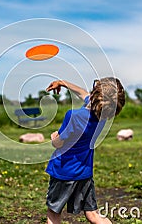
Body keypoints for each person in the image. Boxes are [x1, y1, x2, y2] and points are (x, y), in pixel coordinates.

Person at [45, 77, 125, 224]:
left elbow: (58, 144)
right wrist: (63, 82)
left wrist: (54, 136)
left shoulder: (74, 116)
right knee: (93, 215)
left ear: (95, 94)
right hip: (84, 173)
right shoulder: (101, 115)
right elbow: (82, 93)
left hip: (63, 172)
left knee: (53, 213)